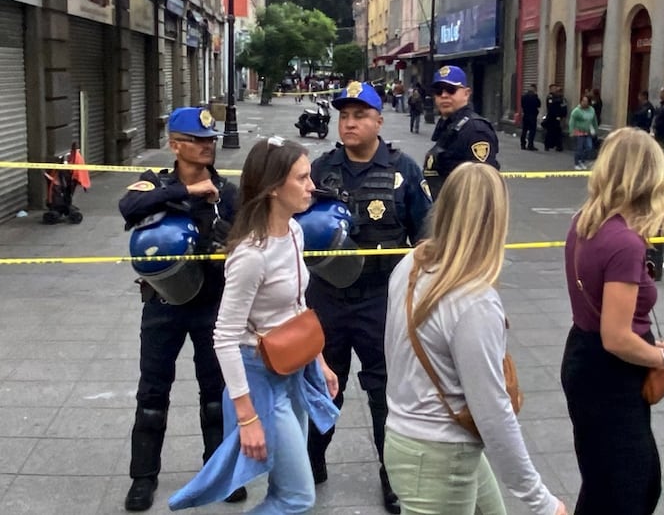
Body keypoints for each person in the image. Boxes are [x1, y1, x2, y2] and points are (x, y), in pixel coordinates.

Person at [169, 137, 341, 513]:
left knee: (285, 490)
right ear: (274, 188)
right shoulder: (250, 254)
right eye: (303, 178)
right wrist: (246, 417)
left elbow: (297, 307)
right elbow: (225, 338)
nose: (312, 185)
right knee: (298, 497)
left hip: (293, 368)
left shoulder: (294, 232)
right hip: (260, 377)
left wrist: (320, 361)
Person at [384, 162, 566, 515]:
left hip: (411, 437)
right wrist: (541, 501)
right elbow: (492, 411)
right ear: (496, 221)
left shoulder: (410, 265)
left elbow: (394, 352)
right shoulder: (474, 301)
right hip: (439, 455)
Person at [306, 81, 432, 514]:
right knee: (324, 383)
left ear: (379, 121)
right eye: (344, 115)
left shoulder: (404, 171)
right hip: (327, 296)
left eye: (360, 115)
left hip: (381, 298)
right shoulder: (319, 170)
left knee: (384, 391)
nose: (350, 122)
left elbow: (427, 238)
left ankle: (391, 475)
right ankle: (311, 459)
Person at [117, 107, 245, 512]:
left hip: (212, 304)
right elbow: (128, 207)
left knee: (215, 394)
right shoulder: (154, 184)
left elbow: (250, 237)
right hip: (163, 306)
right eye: (197, 140)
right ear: (175, 145)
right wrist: (186, 193)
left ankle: (220, 471)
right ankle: (143, 477)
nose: (206, 146)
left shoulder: (228, 193)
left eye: (209, 140)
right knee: (153, 392)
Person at [562, 128, 664, 515]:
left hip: (585, 361)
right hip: (610, 375)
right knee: (627, 491)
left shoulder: (585, 221)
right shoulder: (625, 242)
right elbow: (617, 338)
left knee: (610, 483)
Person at [423, 65, 500, 200]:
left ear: (466, 93)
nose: (444, 95)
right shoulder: (449, 125)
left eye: (451, 90)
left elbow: (482, 187)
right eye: (439, 91)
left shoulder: (476, 130)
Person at [568, 95, 598, 171]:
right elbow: (572, 121)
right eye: (583, 101)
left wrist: (595, 129)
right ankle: (577, 163)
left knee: (589, 147)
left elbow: (594, 120)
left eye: (586, 101)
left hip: (587, 132)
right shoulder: (577, 111)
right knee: (579, 148)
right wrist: (571, 131)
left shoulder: (591, 110)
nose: (584, 103)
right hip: (579, 131)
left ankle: (582, 161)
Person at [542, 84, 568, 152]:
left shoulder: (560, 97)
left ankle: (558, 146)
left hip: (558, 117)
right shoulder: (550, 97)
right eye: (553, 88)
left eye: (555, 88)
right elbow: (551, 106)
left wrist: (562, 115)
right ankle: (547, 145)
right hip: (551, 117)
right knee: (549, 132)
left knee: (558, 132)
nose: (555, 89)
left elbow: (563, 106)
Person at [520, 83, 541, 151]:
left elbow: (522, 105)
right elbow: (538, 104)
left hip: (525, 115)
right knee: (532, 130)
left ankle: (523, 144)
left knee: (524, 130)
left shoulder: (524, 96)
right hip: (532, 115)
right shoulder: (534, 96)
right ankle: (530, 145)